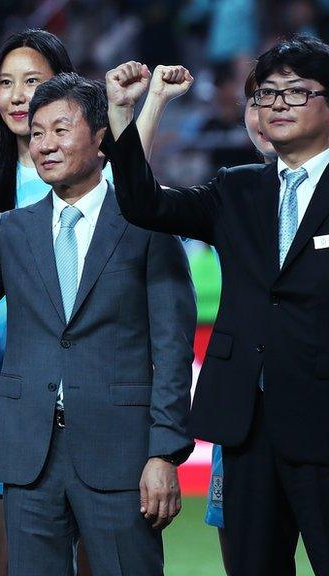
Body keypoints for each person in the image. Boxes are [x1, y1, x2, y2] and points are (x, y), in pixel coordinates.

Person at [0, 28, 187, 576]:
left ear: (101, 137)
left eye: (62, 128)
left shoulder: (151, 221)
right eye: (38, 133)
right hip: (25, 452)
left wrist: (165, 452)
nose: (47, 143)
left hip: (119, 453)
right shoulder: (12, 228)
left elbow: (174, 349)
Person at [104, 35, 329, 576]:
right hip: (245, 425)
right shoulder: (237, 188)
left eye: (296, 92)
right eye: (266, 93)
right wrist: (123, 111)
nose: (276, 104)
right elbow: (142, 203)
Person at [202, 66, 278, 576]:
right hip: (245, 414)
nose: (264, 114)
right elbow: (145, 204)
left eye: (283, 96)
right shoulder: (234, 192)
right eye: (254, 101)